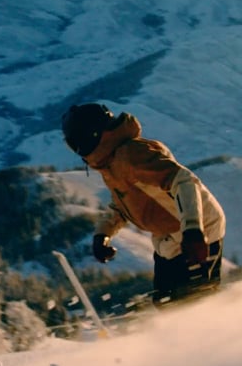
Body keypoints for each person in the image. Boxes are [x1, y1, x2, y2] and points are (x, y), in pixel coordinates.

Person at [60, 102, 226, 304]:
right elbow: (123, 205)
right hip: (170, 239)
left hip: (197, 233)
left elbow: (183, 181)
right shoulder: (111, 162)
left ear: (90, 135)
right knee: (167, 304)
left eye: (74, 143)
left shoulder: (131, 155)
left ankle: (230, 332)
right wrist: (103, 234)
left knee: (193, 303)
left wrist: (193, 230)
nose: (78, 151)